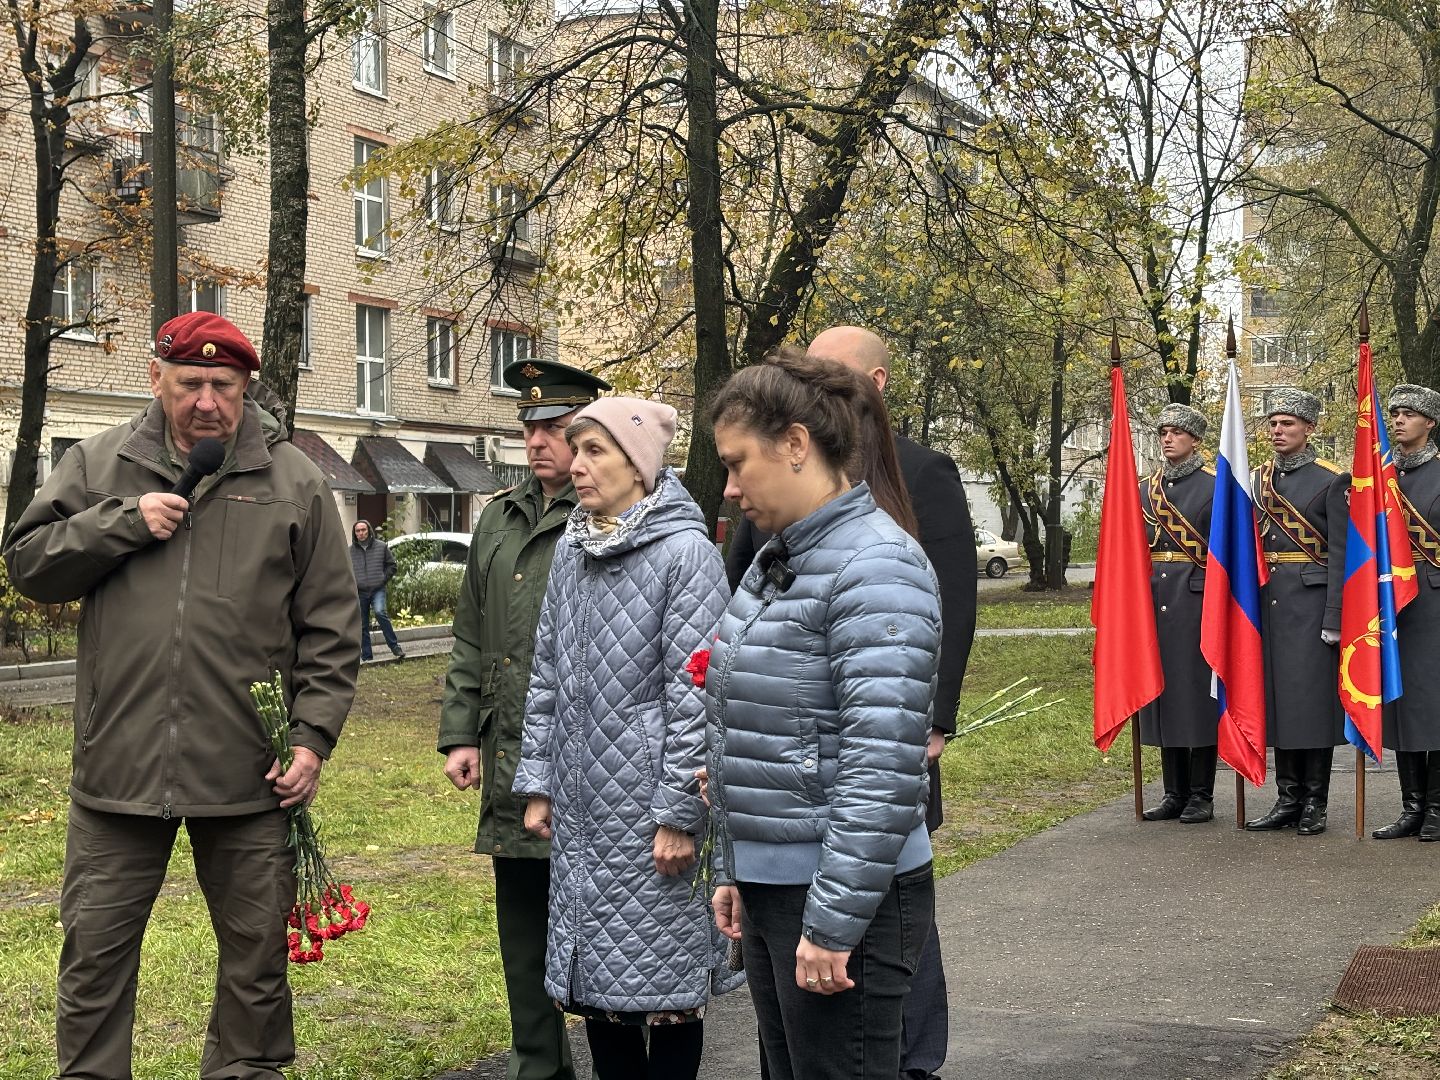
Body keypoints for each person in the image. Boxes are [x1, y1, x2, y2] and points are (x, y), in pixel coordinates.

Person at [3, 311, 361, 1080]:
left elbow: (332, 625)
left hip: (248, 777)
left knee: (256, 972)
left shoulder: (294, 480)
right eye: (190, 382)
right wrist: (122, 523)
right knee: (93, 965)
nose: (207, 400)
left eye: (223, 386)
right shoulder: (100, 465)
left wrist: (311, 739)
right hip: (118, 772)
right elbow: (29, 566)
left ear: (246, 389)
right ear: (155, 379)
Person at [724, 325, 975, 1080]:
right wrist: (738, 869)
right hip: (780, 885)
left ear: (796, 443)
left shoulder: (876, 566)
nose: (730, 489)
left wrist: (833, 921)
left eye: (738, 464)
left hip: (842, 897)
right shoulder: (780, 557)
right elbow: (749, 729)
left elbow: (880, 768)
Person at [512, 396, 740, 1080]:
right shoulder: (573, 550)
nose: (577, 467)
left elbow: (699, 695)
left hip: (647, 816)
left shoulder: (686, 555)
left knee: (666, 995)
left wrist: (679, 814)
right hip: (585, 809)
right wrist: (539, 781)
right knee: (597, 995)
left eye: (594, 451)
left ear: (639, 464)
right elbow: (546, 673)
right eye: (575, 451)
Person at [437, 358, 608, 1080]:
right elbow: (473, 631)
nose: (537, 441)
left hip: (591, 761)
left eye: (555, 428)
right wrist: (458, 731)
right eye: (529, 427)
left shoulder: (609, 515)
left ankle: (622, 1060)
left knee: (603, 928)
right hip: (509, 751)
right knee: (523, 932)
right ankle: (540, 1067)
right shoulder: (500, 517)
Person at [1245, 390, 1346, 836]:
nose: (1278, 431)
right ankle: (1287, 797)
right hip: (1269, 604)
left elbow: (1343, 556)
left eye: (1287, 423)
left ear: (1309, 428)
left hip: (1311, 603)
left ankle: (1314, 802)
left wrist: (1336, 616)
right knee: (1279, 704)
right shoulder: (1257, 480)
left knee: (1312, 706)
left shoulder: (1332, 480)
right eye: (1272, 424)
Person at [1138, 402, 1219, 824]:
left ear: (1195, 439)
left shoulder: (1217, 485)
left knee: (1198, 698)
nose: (1168, 439)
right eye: (1163, 432)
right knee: (1165, 695)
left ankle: (1202, 794)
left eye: (1176, 432)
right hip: (1155, 601)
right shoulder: (1143, 488)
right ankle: (1174, 791)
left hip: (1198, 599)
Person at [1368, 384, 1440, 840]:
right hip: (1390, 606)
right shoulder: (1379, 477)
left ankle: (1435, 807)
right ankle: (1411, 806)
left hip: (1434, 601)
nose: (1397, 420)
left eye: (1409, 413)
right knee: (1401, 705)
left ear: (1430, 423)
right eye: (1393, 413)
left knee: (1434, 706)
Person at [350, 518, 405, 661]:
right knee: (362, 623)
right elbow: (345, 571)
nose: (361, 533)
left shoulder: (381, 547)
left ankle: (395, 647)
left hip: (377, 589)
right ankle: (367, 655)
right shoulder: (349, 551)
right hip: (360, 591)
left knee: (380, 613)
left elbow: (392, 565)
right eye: (358, 531)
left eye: (363, 530)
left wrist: (382, 579)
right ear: (355, 534)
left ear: (369, 530)